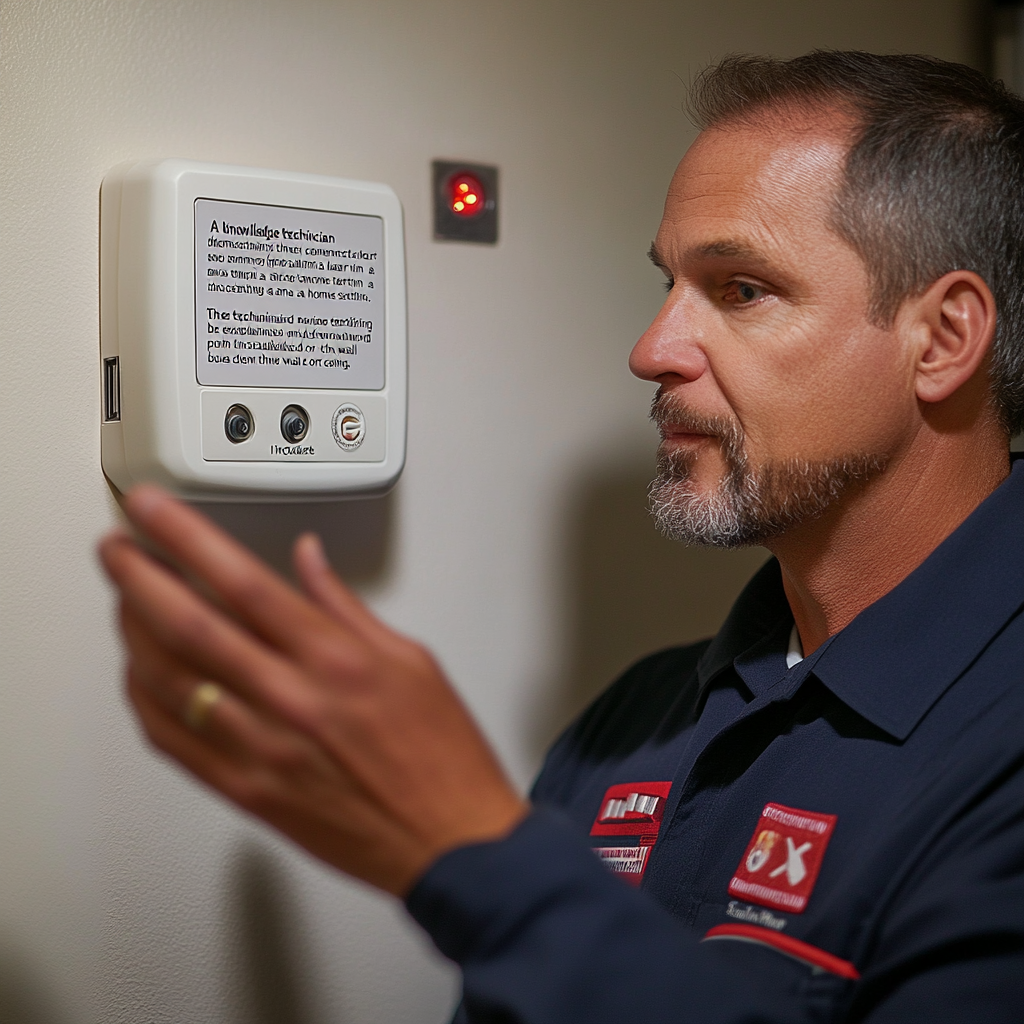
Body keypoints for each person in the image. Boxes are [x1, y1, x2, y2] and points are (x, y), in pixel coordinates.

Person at [99, 51, 1024, 1022]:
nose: (651, 350)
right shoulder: (635, 723)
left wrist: (470, 848)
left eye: (742, 289)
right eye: (667, 284)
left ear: (943, 337)